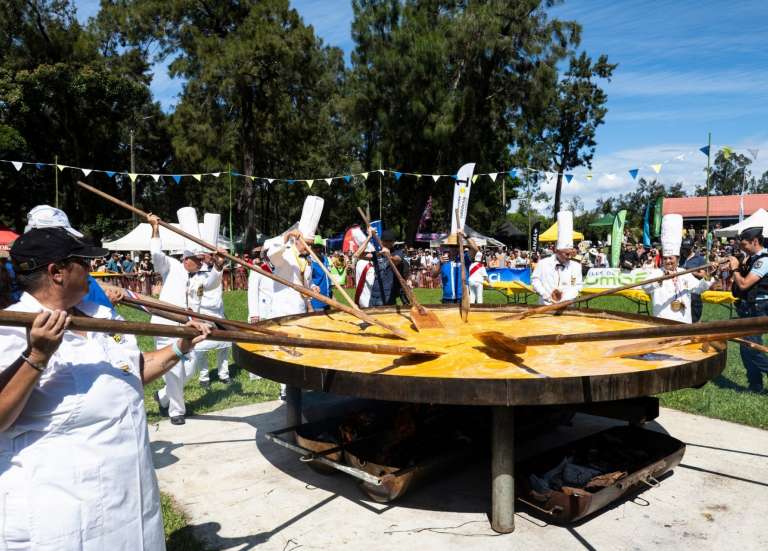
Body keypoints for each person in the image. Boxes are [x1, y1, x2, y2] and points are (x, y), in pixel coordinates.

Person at [0, 226, 212, 549]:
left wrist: (180, 347)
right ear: (57, 273)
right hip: (63, 520)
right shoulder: (12, 328)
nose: (92, 271)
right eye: (83, 263)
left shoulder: (101, 315)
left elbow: (130, 372)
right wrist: (38, 356)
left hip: (131, 506)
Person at [148, 208, 224, 425]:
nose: (202, 264)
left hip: (190, 329)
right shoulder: (170, 267)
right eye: (198, 261)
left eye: (203, 261)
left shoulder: (200, 276)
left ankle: (163, 397)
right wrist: (155, 229)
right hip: (166, 327)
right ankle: (176, 411)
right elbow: (155, 255)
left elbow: (212, 284)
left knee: (189, 370)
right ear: (187, 258)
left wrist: (218, 265)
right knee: (173, 370)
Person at [643, 214, 711, 324]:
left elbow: (698, 289)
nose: (668, 261)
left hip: (683, 321)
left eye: (671, 258)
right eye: (665, 258)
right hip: (662, 320)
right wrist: (660, 280)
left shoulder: (684, 273)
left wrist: (708, 276)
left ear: (678, 259)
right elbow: (645, 287)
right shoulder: (656, 273)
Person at [729, 227, 768, 393]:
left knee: (751, 347)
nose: (742, 247)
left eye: (744, 244)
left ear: (755, 241)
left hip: (760, 307)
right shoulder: (752, 258)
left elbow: (744, 284)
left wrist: (735, 269)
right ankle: (755, 386)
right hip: (749, 307)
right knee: (746, 349)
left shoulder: (763, 260)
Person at [531, 211, 582, 305]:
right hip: (545, 307)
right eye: (566, 254)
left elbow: (577, 286)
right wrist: (545, 294)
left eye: (571, 253)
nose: (569, 256)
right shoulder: (543, 263)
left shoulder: (576, 266)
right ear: (557, 251)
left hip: (567, 308)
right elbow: (535, 280)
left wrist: (564, 298)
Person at [431, 232, 478, 304]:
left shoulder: (465, 258)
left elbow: (475, 249)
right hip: (447, 298)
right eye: (452, 246)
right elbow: (433, 275)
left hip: (463, 298)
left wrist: (466, 235)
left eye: (457, 246)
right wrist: (439, 263)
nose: (454, 249)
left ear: (460, 247)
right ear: (449, 248)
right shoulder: (443, 260)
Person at [368, 229, 408, 306]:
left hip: (388, 293)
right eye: (385, 241)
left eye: (390, 241)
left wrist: (389, 255)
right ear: (381, 241)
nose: (387, 243)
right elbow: (358, 255)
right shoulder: (376, 253)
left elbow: (397, 260)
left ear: (393, 242)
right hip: (374, 292)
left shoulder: (398, 252)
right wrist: (369, 237)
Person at [309, 236, 332, 310]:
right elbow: (307, 280)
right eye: (315, 247)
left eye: (320, 247)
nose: (318, 249)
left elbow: (328, 278)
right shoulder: (309, 262)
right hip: (316, 301)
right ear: (311, 247)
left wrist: (331, 294)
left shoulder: (325, 259)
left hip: (328, 298)